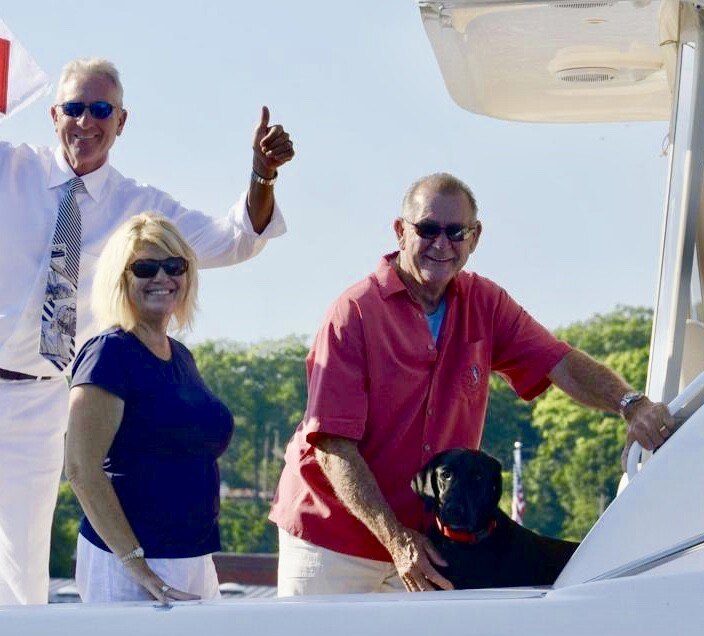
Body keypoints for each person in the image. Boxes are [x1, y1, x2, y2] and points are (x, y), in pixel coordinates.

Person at [0, 24, 295, 608]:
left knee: (22, 572)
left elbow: (235, 240)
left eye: (99, 110)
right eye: (73, 108)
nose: (84, 122)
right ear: (53, 115)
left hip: (41, 397)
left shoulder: (139, 208)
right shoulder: (0, 169)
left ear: (121, 121)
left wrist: (262, 176)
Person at [269, 172, 674, 596]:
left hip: (429, 546)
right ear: (400, 231)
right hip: (332, 540)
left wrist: (633, 404)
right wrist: (396, 539)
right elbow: (334, 448)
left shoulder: (486, 303)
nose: (441, 244)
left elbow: (562, 363)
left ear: (475, 237)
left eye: (456, 231)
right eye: (427, 229)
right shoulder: (352, 313)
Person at [65, 213, 233, 603]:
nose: (162, 277)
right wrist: (137, 567)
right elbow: (81, 469)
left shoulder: (182, 357)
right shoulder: (109, 353)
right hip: (129, 567)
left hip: (192, 558)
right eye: (144, 267)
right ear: (119, 278)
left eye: (174, 266)